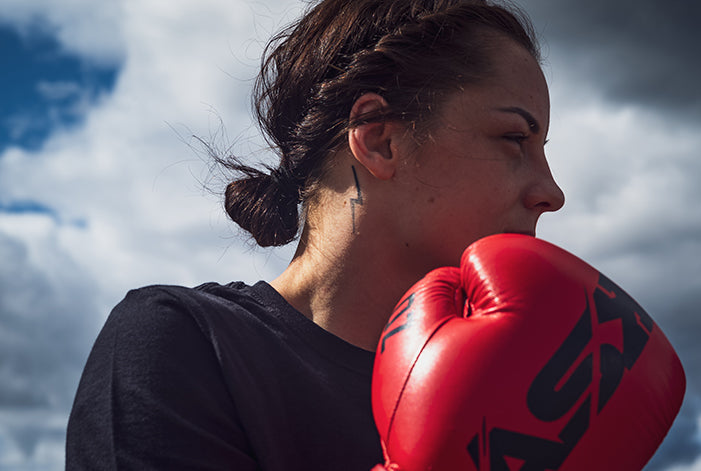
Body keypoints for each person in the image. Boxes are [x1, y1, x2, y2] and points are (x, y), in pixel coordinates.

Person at [66, 0, 564, 469]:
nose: (552, 192)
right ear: (379, 139)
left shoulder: (516, 393)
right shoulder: (185, 346)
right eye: (514, 139)